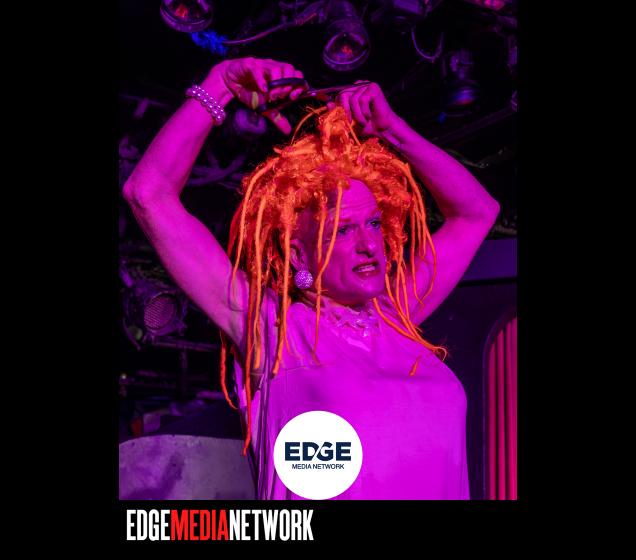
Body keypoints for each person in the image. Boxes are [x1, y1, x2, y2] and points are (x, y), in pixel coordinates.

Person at [123, 57, 500, 499]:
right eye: (342, 230)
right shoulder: (273, 328)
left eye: (373, 223)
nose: (368, 244)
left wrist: (392, 130)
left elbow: (478, 212)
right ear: (299, 252)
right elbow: (148, 194)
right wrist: (219, 85)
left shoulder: (397, 316)